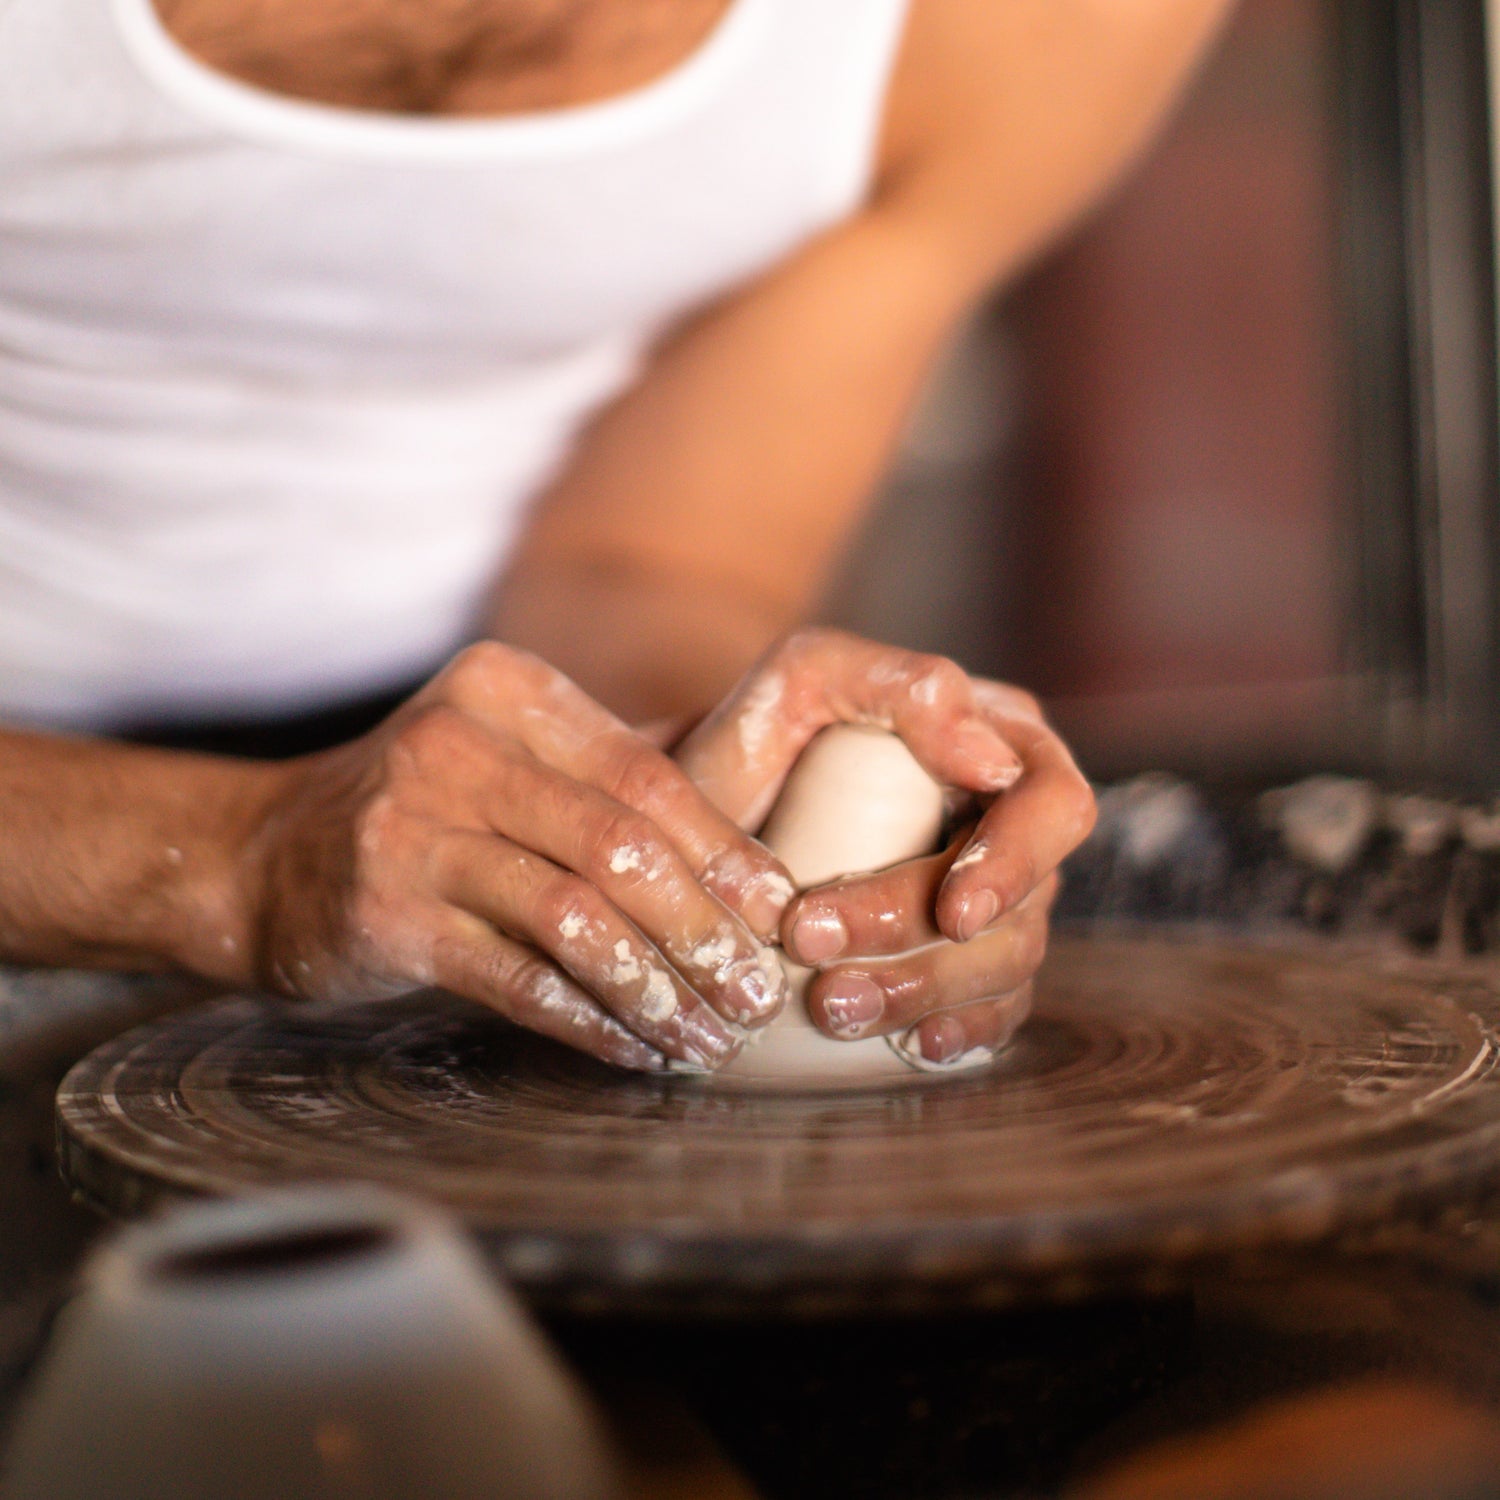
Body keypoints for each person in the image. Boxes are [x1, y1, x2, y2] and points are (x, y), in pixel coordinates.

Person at [0, 0, 1233, 1071]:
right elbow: (258, 862)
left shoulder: (1045, 23)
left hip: (433, 774)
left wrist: (731, 806)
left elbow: (646, 562)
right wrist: (236, 861)